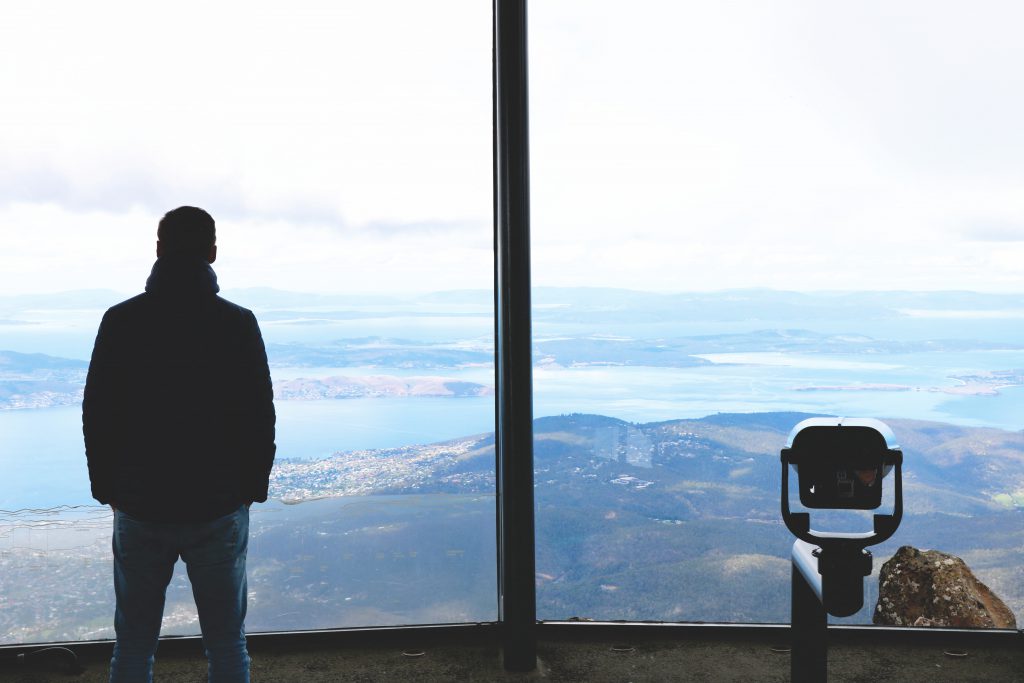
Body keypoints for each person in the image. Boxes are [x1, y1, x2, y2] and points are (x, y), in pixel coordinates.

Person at [83, 206, 276, 683]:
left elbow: (98, 413)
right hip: (218, 504)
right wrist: (251, 487)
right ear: (213, 251)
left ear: (158, 249)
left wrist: (107, 488)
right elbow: (259, 414)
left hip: (140, 503)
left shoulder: (121, 320)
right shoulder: (237, 322)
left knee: (133, 644)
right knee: (228, 644)